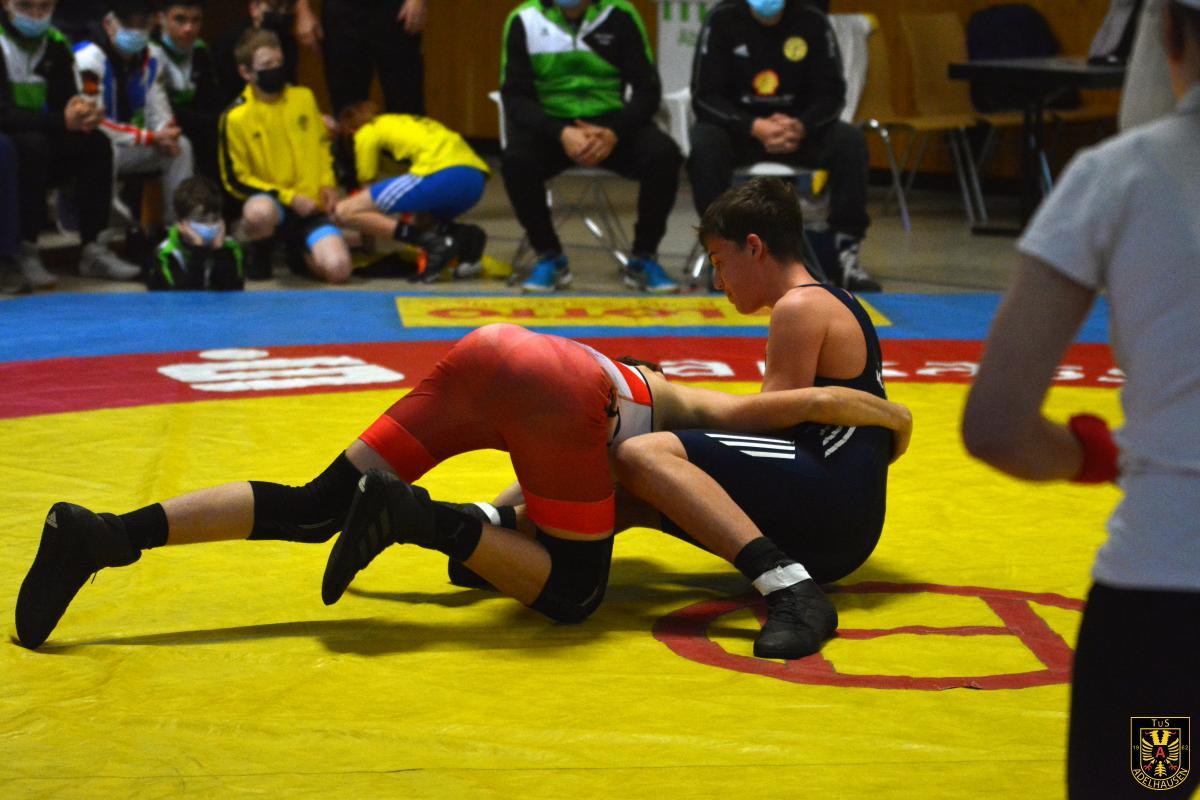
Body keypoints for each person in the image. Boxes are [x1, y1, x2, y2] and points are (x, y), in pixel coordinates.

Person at [14, 321, 911, 649]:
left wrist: (490, 522)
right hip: (555, 390)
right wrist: (888, 415)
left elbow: (536, 493)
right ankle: (414, 518)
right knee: (574, 592)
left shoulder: (613, 392)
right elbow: (789, 406)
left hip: (487, 350)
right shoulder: (666, 402)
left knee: (316, 505)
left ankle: (105, 533)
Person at [962, 3, 1200, 797]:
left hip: (1166, 597)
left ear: (1168, 36)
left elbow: (997, 426)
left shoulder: (1120, 177)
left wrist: (1094, 456)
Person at [604, 177, 895, 659]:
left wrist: (668, 404)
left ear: (755, 247)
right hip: (842, 515)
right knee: (641, 495)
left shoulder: (800, 306)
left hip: (830, 509)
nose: (719, 282)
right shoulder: (836, 300)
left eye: (720, 262)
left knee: (642, 453)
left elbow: (770, 424)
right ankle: (510, 537)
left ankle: (789, 587)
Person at [689, 0, 879, 292]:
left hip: (798, 132)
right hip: (741, 132)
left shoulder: (812, 20)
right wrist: (753, 126)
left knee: (849, 141)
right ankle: (722, 252)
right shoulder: (721, 19)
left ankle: (845, 251)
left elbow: (832, 95)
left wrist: (801, 126)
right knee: (704, 142)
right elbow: (704, 96)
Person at [500, 0, 683, 294]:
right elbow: (515, 96)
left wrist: (614, 132)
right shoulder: (524, 19)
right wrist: (561, 133)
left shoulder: (620, 15)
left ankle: (643, 257)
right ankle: (549, 255)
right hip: (552, 126)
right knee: (516, 161)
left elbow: (647, 90)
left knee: (663, 154)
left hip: (610, 125)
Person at [1, 0, 141, 283]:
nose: (36, 15)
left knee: (95, 143)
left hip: (40, 131)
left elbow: (65, 102)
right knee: (32, 146)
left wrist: (83, 113)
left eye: (44, 7)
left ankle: (94, 248)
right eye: (26, 6)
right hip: (10, 135)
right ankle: (26, 249)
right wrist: (60, 121)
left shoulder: (55, 43)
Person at [218, 29, 351, 283]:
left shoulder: (304, 97)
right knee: (258, 212)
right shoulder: (234, 117)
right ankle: (260, 252)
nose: (275, 70)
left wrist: (327, 184)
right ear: (246, 72)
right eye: (267, 65)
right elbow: (235, 179)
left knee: (339, 269)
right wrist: (288, 197)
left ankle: (297, 253)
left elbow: (322, 146)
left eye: (278, 62)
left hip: (311, 206)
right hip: (275, 206)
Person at [333, 101, 489, 281]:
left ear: (351, 131)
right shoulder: (401, 122)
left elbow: (365, 199)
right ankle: (465, 238)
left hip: (443, 173)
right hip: (474, 179)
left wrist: (368, 250)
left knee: (345, 211)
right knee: (418, 222)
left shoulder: (365, 132)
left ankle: (434, 245)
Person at [74, 0, 194, 228]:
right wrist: (148, 137)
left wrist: (165, 132)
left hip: (131, 142)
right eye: (129, 24)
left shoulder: (153, 55)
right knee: (100, 149)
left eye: (143, 24)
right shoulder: (88, 58)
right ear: (109, 24)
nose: (137, 31)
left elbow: (158, 105)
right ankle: (100, 232)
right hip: (94, 143)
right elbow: (93, 121)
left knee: (181, 147)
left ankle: (180, 228)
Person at [152, 0, 223, 180]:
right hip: (159, 129)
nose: (188, 28)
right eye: (180, 19)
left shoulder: (200, 50)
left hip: (196, 126)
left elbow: (211, 99)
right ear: (161, 18)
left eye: (196, 20)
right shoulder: (149, 52)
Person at [319, 0, 426, 116]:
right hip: (341, 11)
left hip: (397, 10)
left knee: (407, 102)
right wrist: (305, 12)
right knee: (347, 109)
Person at [145, 175, 244, 291]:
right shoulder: (165, 254)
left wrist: (219, 250)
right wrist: (198, 249)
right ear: (180, 223)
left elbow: (233, 293)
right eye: (201, 220)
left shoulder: (231, 248)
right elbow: (185, 297)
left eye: (215, 219)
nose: (209, 226)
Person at [213, 0, 301, 107]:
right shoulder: (228, 45)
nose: (282, 13)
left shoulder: (287, 41)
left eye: (288, 8)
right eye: (275, 7)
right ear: (254, 8)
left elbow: (290, 84)